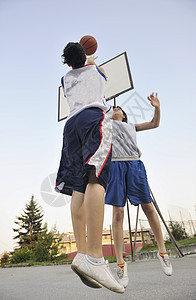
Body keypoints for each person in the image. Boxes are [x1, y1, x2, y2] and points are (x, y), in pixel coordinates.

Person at [55, 42, 124, 294]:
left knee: (78, 186)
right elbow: (97, 67)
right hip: (91, 118)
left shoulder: (65, 79)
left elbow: (79, 65)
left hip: (70, 127)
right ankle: (95, 257)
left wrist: (82, 57)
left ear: (68, 63)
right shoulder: (97, 71)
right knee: (97, 179)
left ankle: (82, 253)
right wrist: (91, 58)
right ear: (85, 56)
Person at [105, 93, 172, 288]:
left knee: (148, 208)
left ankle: (163, 253)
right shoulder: (106, 126)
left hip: (134, 165)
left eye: (120, 110)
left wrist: (157, 107)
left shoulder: (131, 127)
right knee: (117, 214)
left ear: (124, 116)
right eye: (114, 109)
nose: (116, 110)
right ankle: (120, 264)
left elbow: (154, 124)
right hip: (115, 166)